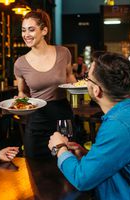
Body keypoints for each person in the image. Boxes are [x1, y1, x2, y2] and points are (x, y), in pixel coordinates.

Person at [48, 52, 130, 199]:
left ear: (97, 90)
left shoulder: (118, 126)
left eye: (87, 78)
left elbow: (81, 179)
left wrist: (59, 148)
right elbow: (123, 158)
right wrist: (87, 155)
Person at [14, 10, 77, 158]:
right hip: (37, 120)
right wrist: (19, 101)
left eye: (31, 29)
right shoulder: (20, 63)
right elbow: (22, 93)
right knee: (35, 167)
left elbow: (70, 77)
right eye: (23, 30)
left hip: (62, 117)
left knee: (66, 164)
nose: (26, 35)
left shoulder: (64, 53)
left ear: (44, 30)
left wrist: (82, 89)